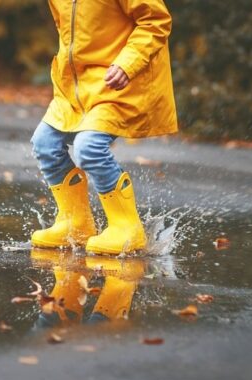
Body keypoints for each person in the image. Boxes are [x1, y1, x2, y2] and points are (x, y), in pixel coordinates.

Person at [31, 0, 178, 255]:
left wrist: (127, 64)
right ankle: (75, 224)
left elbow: (156, 21)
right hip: (76, 86)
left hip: (119, 81)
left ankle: (127, 228)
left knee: (89, 147)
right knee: (45, 143)